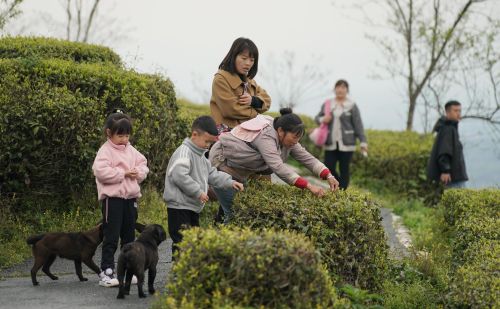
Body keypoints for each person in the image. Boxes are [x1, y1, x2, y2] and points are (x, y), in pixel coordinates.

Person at [209, 108, 340, 224]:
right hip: (223, 161)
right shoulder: (266, 137)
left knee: (229, 200)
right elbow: (278, 166)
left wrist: (328, 174)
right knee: (230, 209)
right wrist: (309, 186)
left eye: (298, 138)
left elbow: (306, 157)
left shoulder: (288, 138)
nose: (296, 142)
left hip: (241, 168)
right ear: (281, 131)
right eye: (294, 137)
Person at [163, 116, 244, 258]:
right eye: (206, 141)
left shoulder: (201, 156)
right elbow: (179, 175)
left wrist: (230, 182)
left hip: (192, 206)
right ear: (194, 135)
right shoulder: (184, 152)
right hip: (179, 206)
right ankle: (178, 275)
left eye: (210, 143)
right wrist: (198, 191)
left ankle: (186, 273)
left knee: (192, 242)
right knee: (181, 242)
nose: (208, 146)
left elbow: (212, 174)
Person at [92, 109, 149, 287]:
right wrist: (123, 173)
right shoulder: (105, 151)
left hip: (130, 199)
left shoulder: (131, 150)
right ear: (109, 133)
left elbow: (143, 165)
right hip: (113, 200)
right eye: (120, 135)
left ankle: (127, 270)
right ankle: (106, 272)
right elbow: (100, 172)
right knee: (111, 235)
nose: (124, 139)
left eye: (127, 135)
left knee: (129, 236)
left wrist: (138, 173)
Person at [314, 79, 367, 189]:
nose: (340, 89)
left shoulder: (352, 105)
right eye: (338, 87)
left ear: (347, 90)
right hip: (330, 142)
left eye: (343, 87)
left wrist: (363, 142)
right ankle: (339, 186)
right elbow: (317, 118)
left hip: (347, 144)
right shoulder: (328, 104)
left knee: (344, 169)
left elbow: (358, 125)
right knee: (329, 166)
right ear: (334, 89)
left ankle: (341, 192)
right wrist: (324, 118)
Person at [210, 37, 271, 131]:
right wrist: (257, 115)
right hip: (227, 131)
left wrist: (253, 101)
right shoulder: (220, 79)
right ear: (233, 56)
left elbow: (267, 99)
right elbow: (231, 110)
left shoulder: (249, 81)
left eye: (252, 60)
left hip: (248, 131)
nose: (248, 63)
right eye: (244, 58)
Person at [427, 100, 468, 188]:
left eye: (460, 111)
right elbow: (444, 151)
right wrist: (445, 171)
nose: (458, 113)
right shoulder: (448, 129)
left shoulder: (450, 127)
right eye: (455, 111)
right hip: (453, 178)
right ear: (448, 112)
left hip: (454, 177)